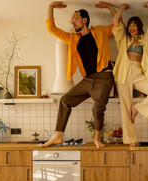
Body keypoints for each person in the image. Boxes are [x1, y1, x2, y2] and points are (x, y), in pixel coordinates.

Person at [42, 1, 117, 148]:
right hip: (88, 79)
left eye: (75, 18)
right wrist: (51, 6)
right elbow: (52, 28)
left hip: (104, 77)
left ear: (85, 20)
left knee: (98, 108)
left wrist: (110, 7)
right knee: (65, 100)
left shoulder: (101, 31)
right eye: (72, 20)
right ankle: (58, 135)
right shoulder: (72, 38)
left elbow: (118, 25)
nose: (73, 22)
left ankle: (96, 138)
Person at [112, 2, 148, 147]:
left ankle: (137, 109)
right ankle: (131, 141)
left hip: (139, 73)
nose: (131, 27)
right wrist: (122, 7)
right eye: (130, 25)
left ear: (139, 27)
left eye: (134, 25)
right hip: (123, 73)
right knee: (124, 108)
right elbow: (116, 21)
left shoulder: (145, 40)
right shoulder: (123, 39)